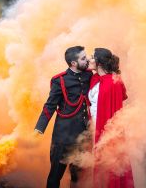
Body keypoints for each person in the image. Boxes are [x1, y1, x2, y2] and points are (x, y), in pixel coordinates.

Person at [34, 46, 93, 188]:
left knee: (78, 176)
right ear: (73, 63)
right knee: (55, 176)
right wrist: (39, 127)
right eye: (84, 58)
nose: (88, 60)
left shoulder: (89, 75)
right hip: (63, 136)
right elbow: (50, 106)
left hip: (83, 135)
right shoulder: (59, 80)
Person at [88, 48, 134, 188]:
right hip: (93, 129)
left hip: (108, 129)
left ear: (99, 62)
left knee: (110, 163)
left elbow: (119, 101)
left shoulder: (113, 82)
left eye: (92, 57)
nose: (89, 60)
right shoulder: (94, 78)